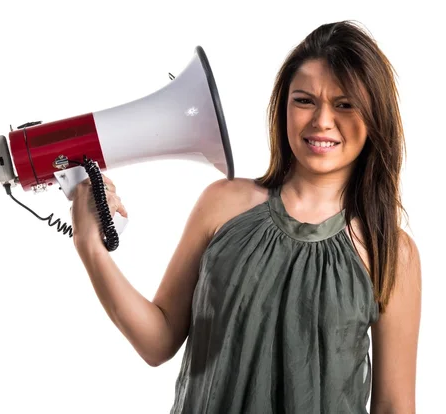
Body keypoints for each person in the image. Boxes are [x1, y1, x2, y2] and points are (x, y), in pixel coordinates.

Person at [70, 20, 421, 414]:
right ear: (283, 107)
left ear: (375, 116)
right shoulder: (222, 204)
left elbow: (394, 405)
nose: (322, 121)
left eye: (344, 104)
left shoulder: (390, 252)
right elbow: (158, 341)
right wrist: (91, 248)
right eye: (304, 100)